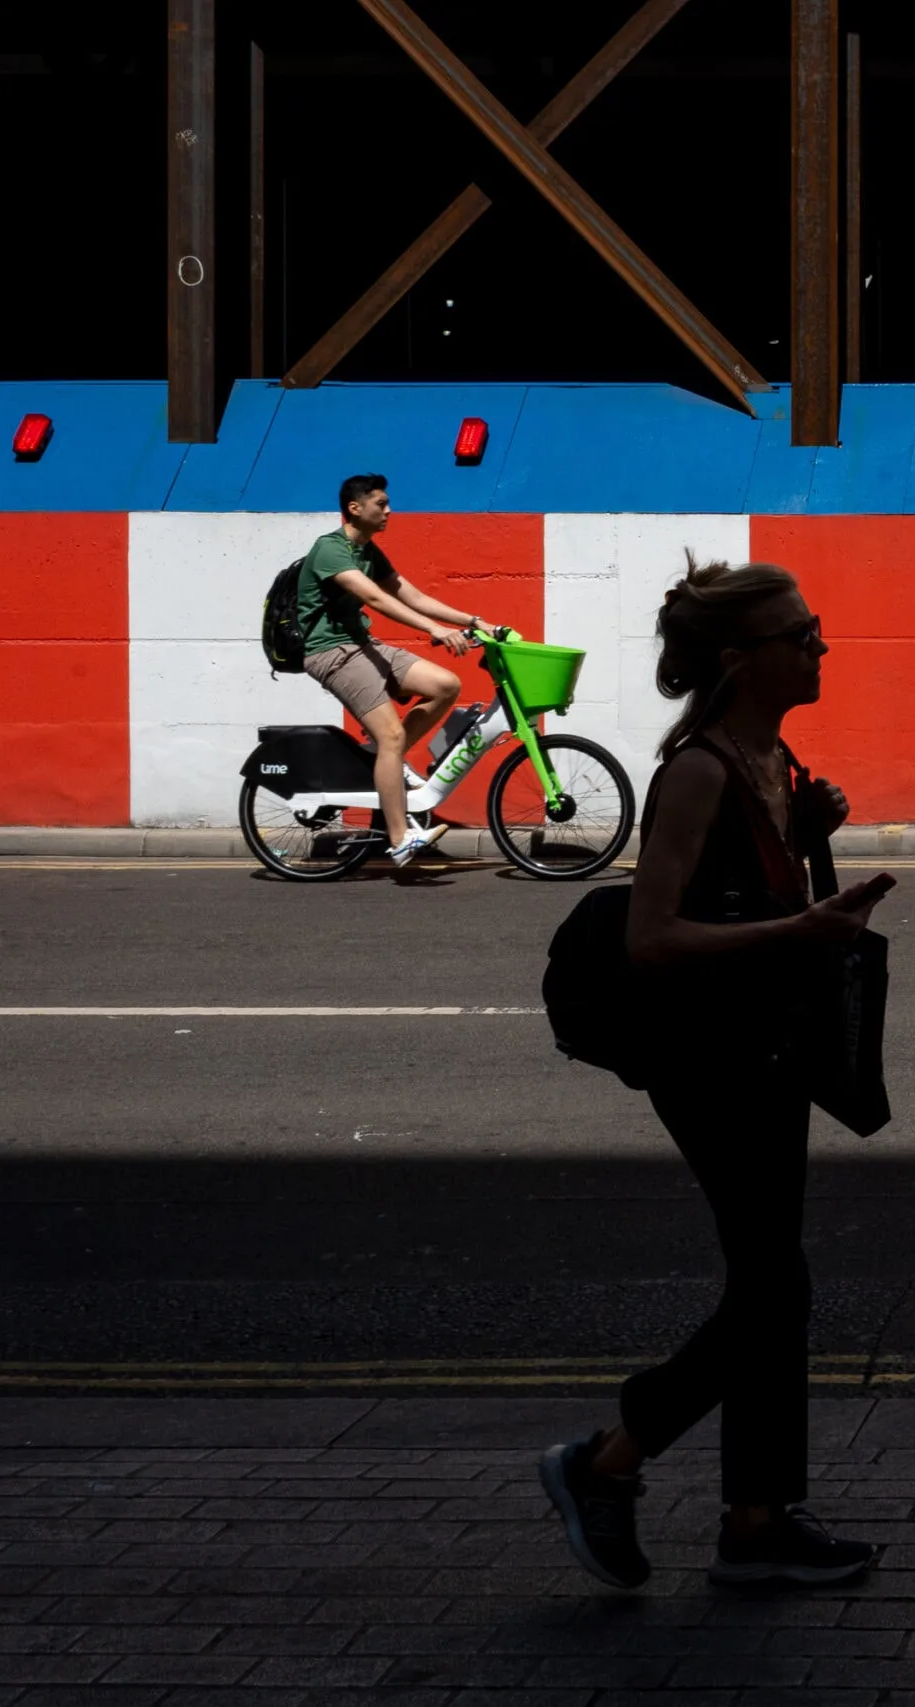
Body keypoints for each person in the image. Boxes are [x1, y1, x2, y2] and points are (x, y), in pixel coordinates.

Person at [539, 558, 884, 1592]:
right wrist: (803, 924)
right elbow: (651, 938)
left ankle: (754, 1517)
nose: (818, 646)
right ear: (740, 660)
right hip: (709, 1059)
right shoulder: (697, 769)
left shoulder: (767, 756)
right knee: (775, 1288)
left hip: (766, 1049)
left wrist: (808, 845)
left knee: (773, 1285)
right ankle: (611, 1463)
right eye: (801, 633)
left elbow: (752, 901)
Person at [299, 474, 497, 867]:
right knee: (390, 736)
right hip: (330, 652)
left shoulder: (370, 553)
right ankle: (400, 838)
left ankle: (387, 760)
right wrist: (433, 631)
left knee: (445, 684)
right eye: (381, 503)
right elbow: (372, 597)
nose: (389, 510)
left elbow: (412, 595)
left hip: (362, 645)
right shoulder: (330, 549)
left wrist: (473, 621)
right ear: (355, 508)